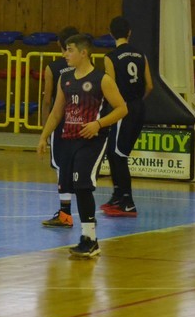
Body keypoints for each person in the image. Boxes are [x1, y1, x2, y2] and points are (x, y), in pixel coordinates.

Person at [37, 34, 127, 259]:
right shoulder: (65, 78)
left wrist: (98, 124)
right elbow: (56, 112)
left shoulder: (102, 79)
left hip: (92, 140)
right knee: (73, 186)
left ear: (83, 53)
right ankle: (87, 239)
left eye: (70, 50)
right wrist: (44, 136)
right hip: (68, 138)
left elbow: (122, 109)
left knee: (83, 185)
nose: (65, 54)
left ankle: (90, 239)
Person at [101, 16, 153, 217]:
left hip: (122, 108)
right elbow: (149, 86)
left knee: (118, 154)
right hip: (139, 106)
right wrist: (137, 100)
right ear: (129, 32)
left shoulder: (110, 57)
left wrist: (120, 106)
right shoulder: (141, 55)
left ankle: (127, 201)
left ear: (110, 33)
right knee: (114, 152)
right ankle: (118, 196)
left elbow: (111, 86)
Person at [39, 26, 79, 228]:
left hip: (62, 121)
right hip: (83, 121)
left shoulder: (53, 68)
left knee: (61, 167)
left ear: (59, 44)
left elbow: (48, 101)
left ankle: (65, 213)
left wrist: (45, 130)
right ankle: (87, 213)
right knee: (81, 168)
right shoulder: (87, 67)